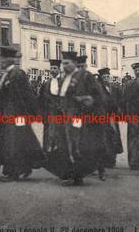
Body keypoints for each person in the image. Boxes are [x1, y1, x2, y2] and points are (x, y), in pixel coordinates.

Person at [45, 51, 107, 185]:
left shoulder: (85, 76)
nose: (64, 66)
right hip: (64, 117)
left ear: (74, 63)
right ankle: (70, 175)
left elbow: (99, 96)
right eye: (63, 63)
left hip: (79, 117)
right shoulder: (63, 79)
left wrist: (87, 99)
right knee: (65, 145)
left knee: (77, 145)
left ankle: (78, 176)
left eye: (67, 63)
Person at [0, 48, 45, 182]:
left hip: (17, 114)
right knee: (20, 141)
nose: (0, 62)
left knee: (14, 142)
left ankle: (14, 172)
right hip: (9, 113)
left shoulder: (17, 74)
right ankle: (24, 167)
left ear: (9, 60)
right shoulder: (8, 75)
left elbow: (27, 95)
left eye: (2, 59)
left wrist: (31, 114)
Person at [96, 68, 123, 168]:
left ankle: (112, 159)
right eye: (104, 77)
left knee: (114, 136)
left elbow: (120, 100)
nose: (106, 79)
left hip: (113, 116)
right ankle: (105, 159)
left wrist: (119, 110)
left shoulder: (114, 88)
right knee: (105, 138)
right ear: (101, 78)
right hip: (103, 116)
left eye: (108, 77)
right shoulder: (99, 89)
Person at [39, 59, 63, 153]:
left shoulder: (63, 82)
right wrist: (42, 113)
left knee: (59, 135)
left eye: (54, 68)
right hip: (49, 112)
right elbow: (40, 99)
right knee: (48, 135)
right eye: (51, 68)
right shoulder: (46, 83)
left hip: (60, 113)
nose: (52, 70)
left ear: (59, 69)